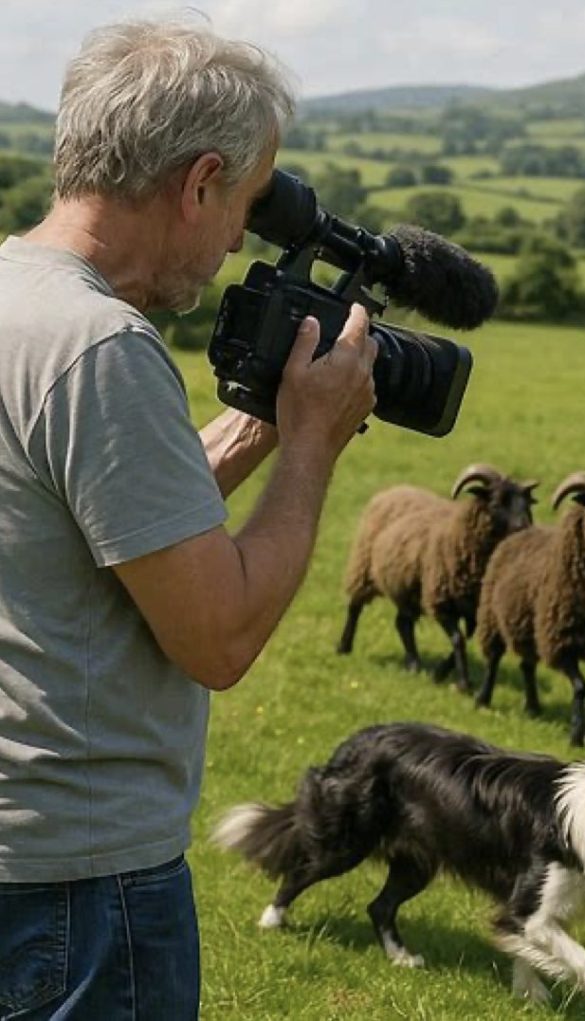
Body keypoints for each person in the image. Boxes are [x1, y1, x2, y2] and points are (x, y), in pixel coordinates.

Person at [0, 17, 376, 1021]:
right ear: (200, 180)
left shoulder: (16, 301)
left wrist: (259, 421)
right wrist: (310, 445)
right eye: (243, 212)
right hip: (78, 889)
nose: (232, 246)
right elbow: (219, 634)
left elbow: (101, 520)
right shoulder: (102, 348)